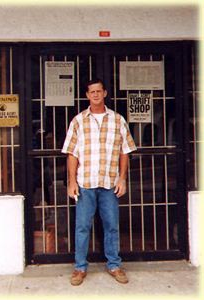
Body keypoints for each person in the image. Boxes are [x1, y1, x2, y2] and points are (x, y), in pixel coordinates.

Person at [61, 78, 137, 286]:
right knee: (82, 226)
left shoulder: (118, 120)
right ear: (87, 95)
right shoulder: (78, 121)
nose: (95, 94)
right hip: (85, 182)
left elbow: (125, 152)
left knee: (111, 225)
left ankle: (114, 264)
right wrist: (72, 181)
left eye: (98, 91)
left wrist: (122, 178)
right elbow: (72, 154)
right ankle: (79, 267)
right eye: (91, 91)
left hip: (109, 183)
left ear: (104, 93)